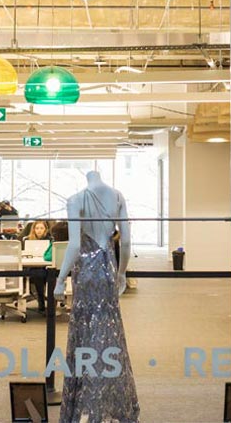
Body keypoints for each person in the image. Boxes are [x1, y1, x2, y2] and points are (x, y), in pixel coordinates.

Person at [53, 171, 139, 422]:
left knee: (85, 333)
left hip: (86, 273)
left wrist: (60, 279)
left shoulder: (75, 199)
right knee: (109, 334)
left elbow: (75, 245)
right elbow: (125, 241)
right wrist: (121, 273)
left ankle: (86, 404)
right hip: (108, 270)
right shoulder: (118, 196)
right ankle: (106, 402)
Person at [26, 220, 52, 312]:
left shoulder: (50, 240)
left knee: (41, 274)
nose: (39, 230)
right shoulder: (28, 240)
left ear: (46, 229)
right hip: (33, 266)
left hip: (45, 266)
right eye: (37, 228)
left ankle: (46, 301)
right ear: (33, 229)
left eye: (41, 228)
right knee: (37, 274)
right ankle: (41, 301)